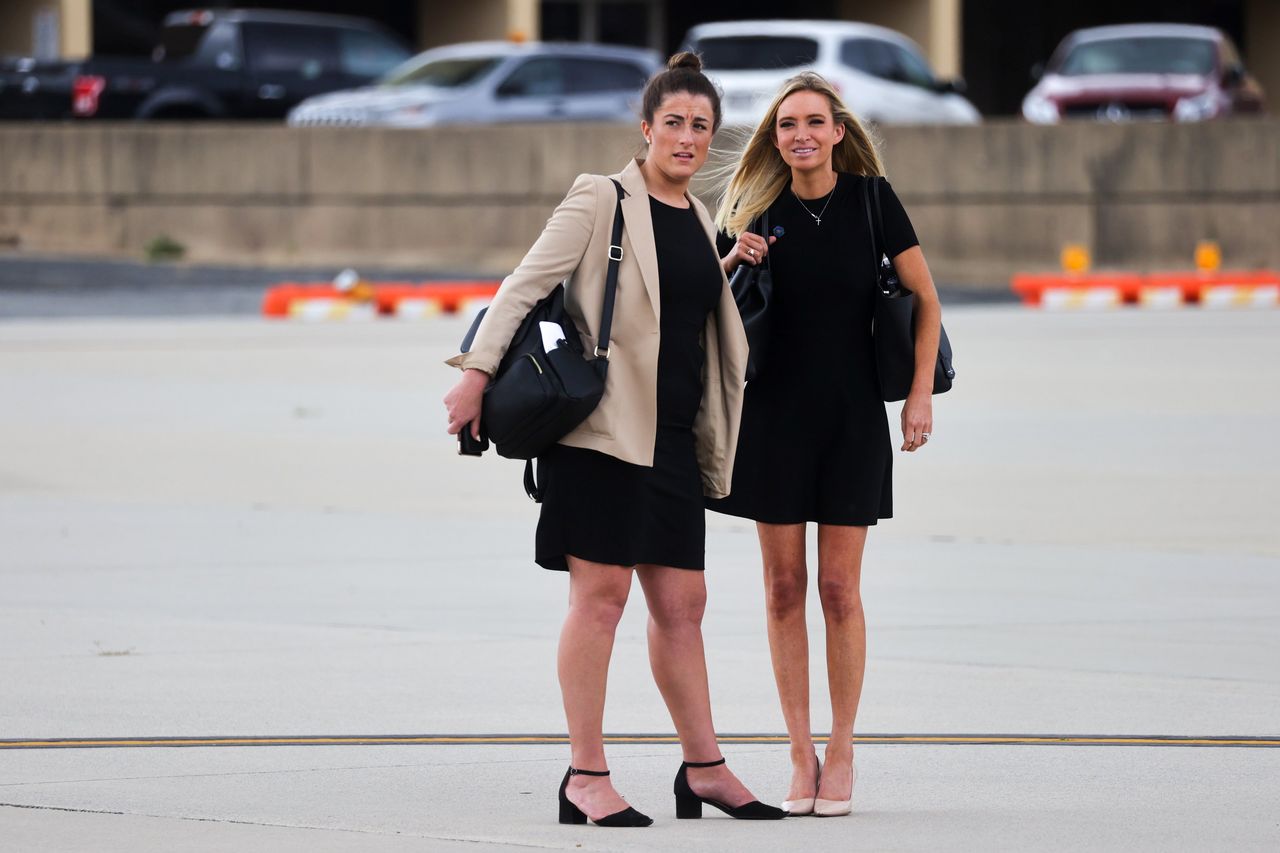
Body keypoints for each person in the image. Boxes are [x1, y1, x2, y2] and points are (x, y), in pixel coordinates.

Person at [442, 53, 785, 827]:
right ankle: (586, 773)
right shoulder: (601, 197)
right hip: (601, 435)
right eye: (675, 122)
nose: (688, 137)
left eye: (701, 126)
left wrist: (728, 260)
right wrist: (475, 375)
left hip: (672, 438)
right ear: (646, 127)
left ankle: (704, 768)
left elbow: (667, 305)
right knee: (601, 599)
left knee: (684, 603)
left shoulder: (698, 215)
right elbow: (524, 285)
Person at [709, 72, 943, 817]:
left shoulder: (873, 200)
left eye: (814, 122)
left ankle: (842, 749)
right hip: (771, 422)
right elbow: (697, 307)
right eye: (787, 125)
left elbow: (926, 300)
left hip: (851, 421)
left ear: (839, 132)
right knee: (782, 589)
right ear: (774, 139)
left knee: (840, 590)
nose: (801, 135)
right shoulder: (755, 210)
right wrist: (731, 259)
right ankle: (798, 750)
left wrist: (917, 396)